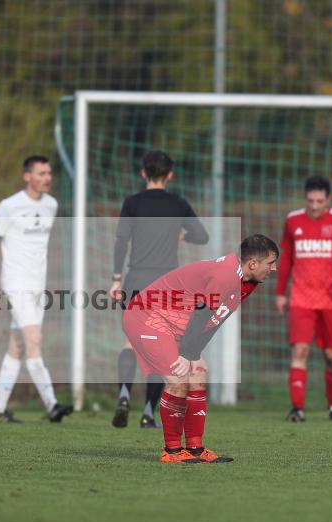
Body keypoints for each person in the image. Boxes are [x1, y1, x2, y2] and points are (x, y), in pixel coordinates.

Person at [123, 235, 279, 463]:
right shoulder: (226, 275)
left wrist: (194, 355)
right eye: (271, 262)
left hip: (174, 325)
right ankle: (173, 451)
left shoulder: (247, 282)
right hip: (147, 316)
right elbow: (203, 313)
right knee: (178, 378)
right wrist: (187, 354)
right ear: (253, 264)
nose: (274, 268)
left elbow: (215, 319)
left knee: (197, 375)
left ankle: (195, 449)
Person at [109, 150, 208, 429]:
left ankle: (124, 394)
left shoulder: (132, 203)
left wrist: (116, 279)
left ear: (143, 173)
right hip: (167, 285)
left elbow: (120, 242)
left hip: (136, 281)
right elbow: (202, 235)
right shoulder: (178, 204)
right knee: (160, 348)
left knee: (130, 343)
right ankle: (149, 413)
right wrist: (182, 234)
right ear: (170, 175)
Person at [0, 155, 73, 424]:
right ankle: (52, 404)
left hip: (37, 286)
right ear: (27, 176)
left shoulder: (51, 205)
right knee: (34, 341)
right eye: (41, 173)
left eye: (49, 173)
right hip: (15, 283)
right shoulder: (8, 206)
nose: (47, 178)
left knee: (17, 347)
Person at [275, 175, 332, 422]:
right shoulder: (293, 221)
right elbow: (287, 258)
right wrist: (280, 293)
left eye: (319, 201)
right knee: (300, 351)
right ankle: (297, 409)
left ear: (328, 199)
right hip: (301, 298)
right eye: (310, 200)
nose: (314, 206)